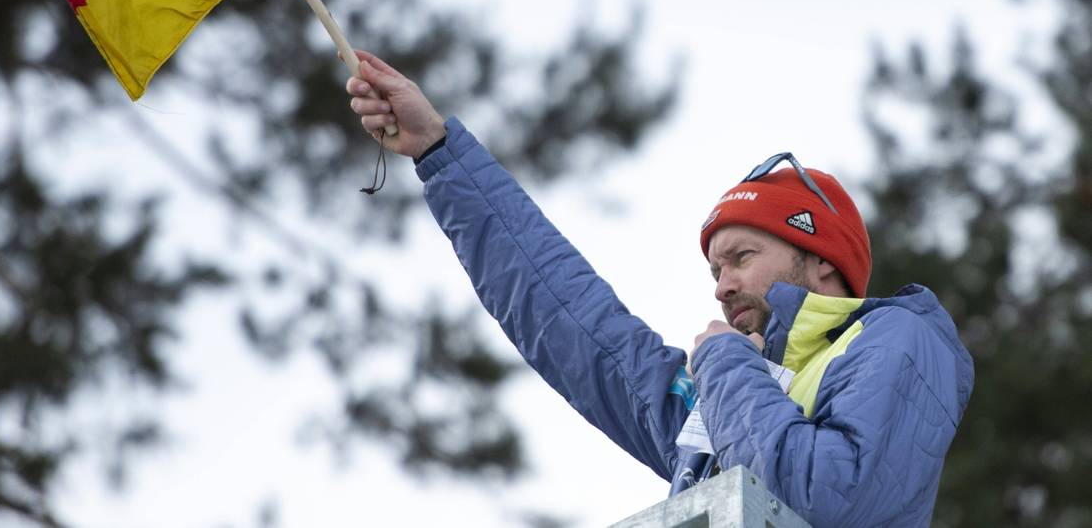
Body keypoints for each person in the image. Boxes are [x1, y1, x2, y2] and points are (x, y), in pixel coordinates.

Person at [345, 50, 974, 527]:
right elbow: (571, 320)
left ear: (821, 261)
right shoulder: (717, 404)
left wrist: (725, 362)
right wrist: (440, 153)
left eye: (741, 257)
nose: (723, 286)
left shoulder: (898, 338)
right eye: (714, 272)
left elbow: (828, 495)